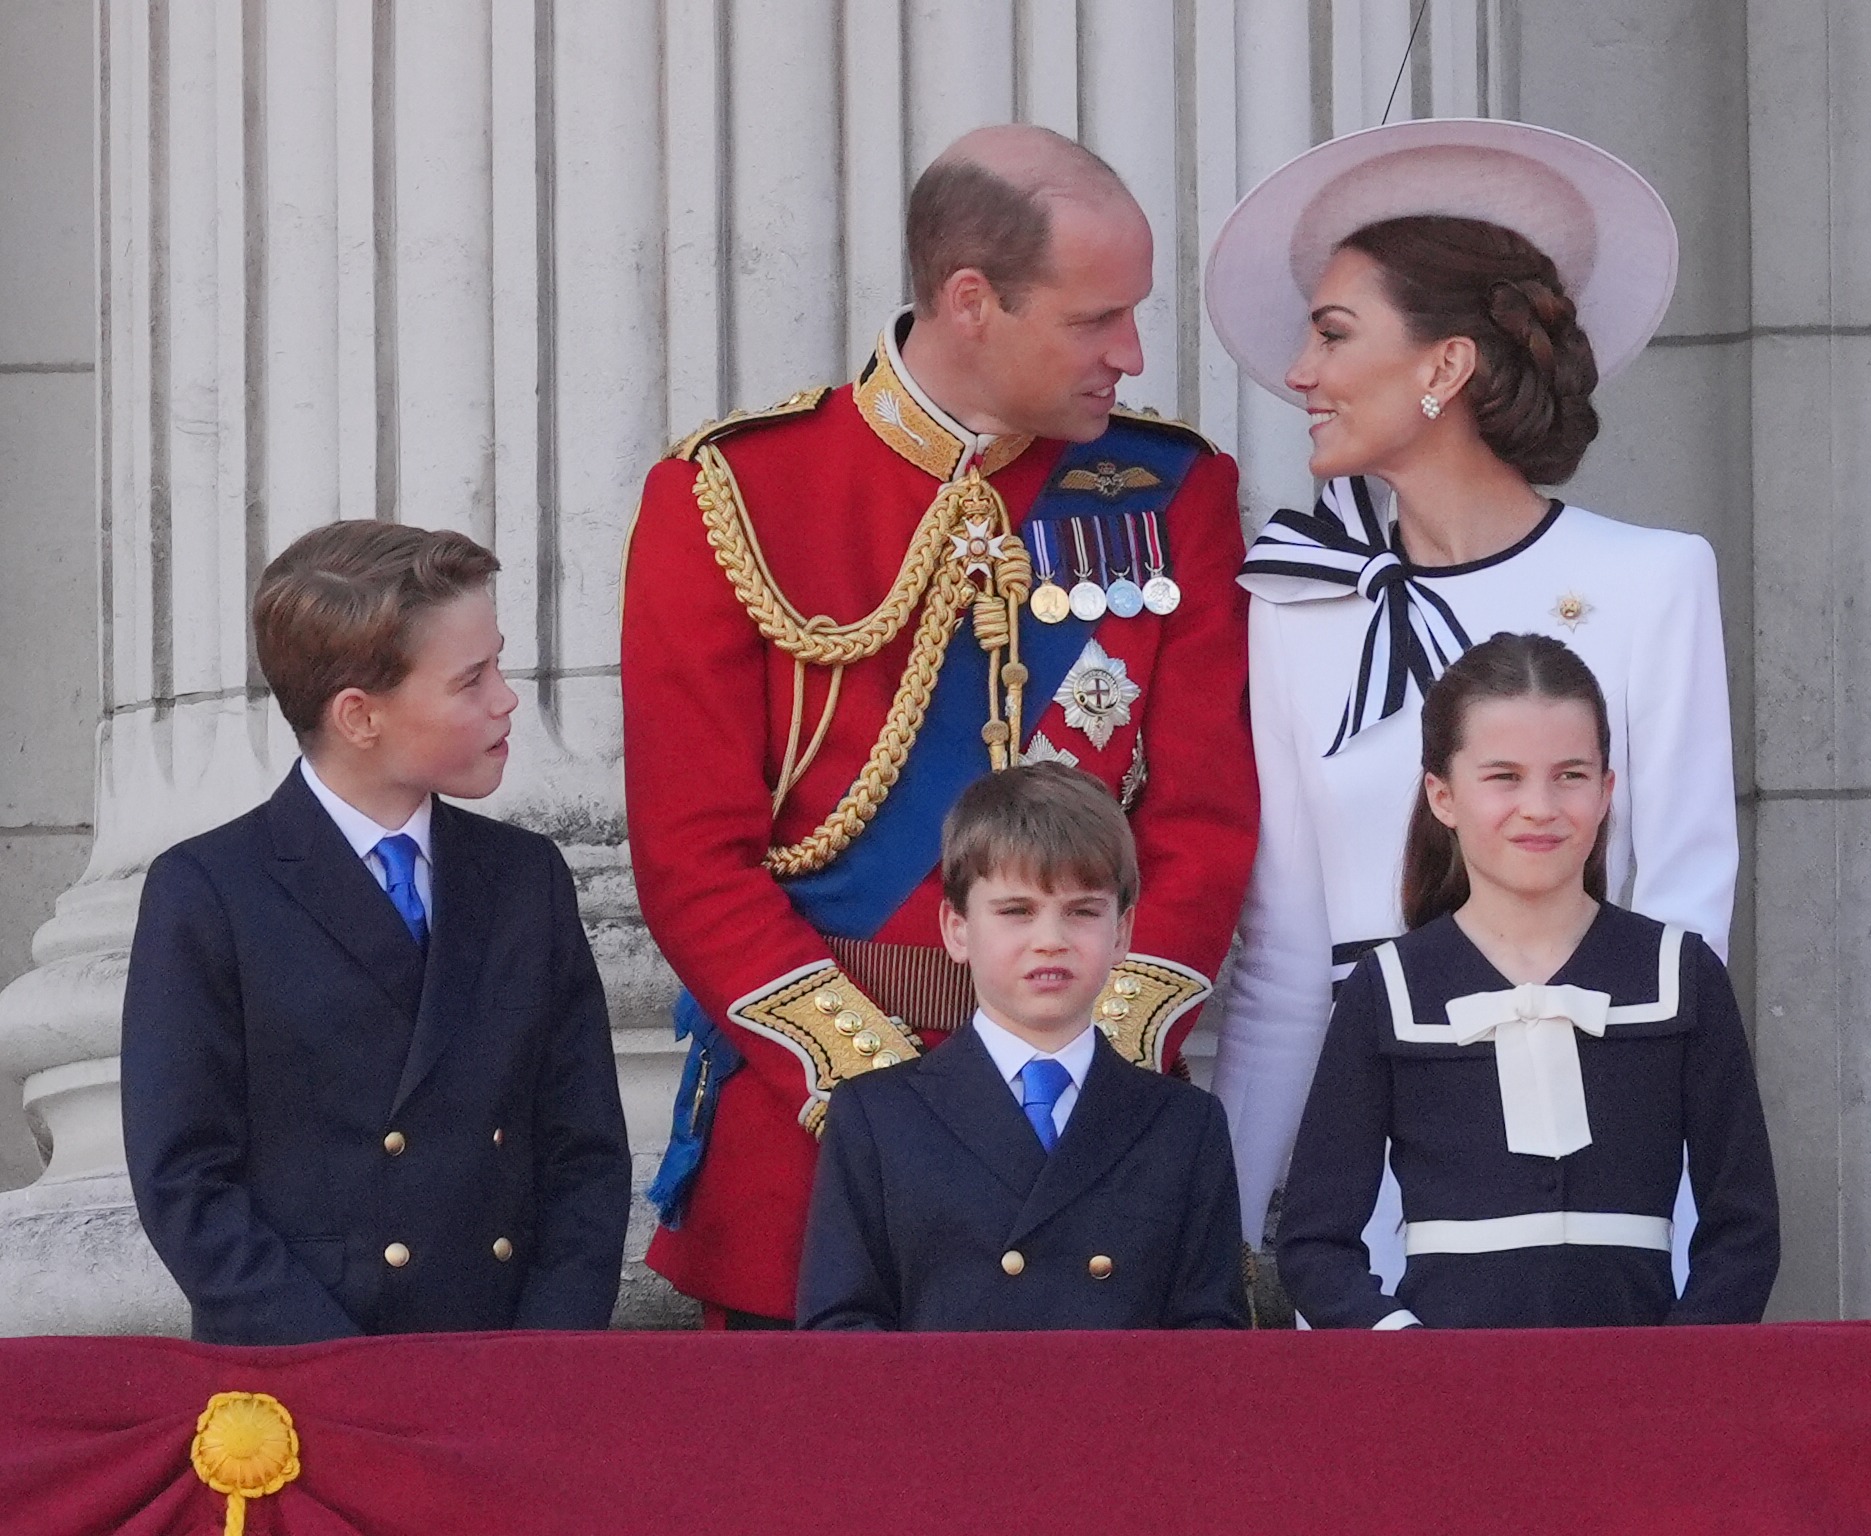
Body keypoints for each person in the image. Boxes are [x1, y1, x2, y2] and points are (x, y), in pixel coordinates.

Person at [622, 124, 1256, 1326]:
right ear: (973, 301)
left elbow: (1205, 828)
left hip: (1095, 1149)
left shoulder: (1175, 491)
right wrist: (890, 1106)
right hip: (819, 1151)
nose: (1130, 352)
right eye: (1094, 319)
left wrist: (1086, 1068)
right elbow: (690, 861)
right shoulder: (734, 493)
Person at [1201, 119, 1738, 1281]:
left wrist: (1681, 1222)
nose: (1301, 372)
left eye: (1334, 335)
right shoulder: (1297, 604)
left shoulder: (1654, 581)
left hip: (1594, 1172)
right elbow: (1289, 961)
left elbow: (1687, 924)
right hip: (1370, 1189)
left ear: (1444, 367)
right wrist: (1223, 1240)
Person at [122, 522, 632, 1345]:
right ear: (359, 715)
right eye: (471, 679)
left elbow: (584, 1153)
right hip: (305, 1381)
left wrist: (546, 1355)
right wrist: (337, 1372)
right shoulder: (211, 890)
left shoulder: (524, 878)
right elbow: (185, 1181)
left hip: (505, 1369)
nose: (506, 697)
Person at [1277, 634, 1777, 1327]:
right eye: (1503, 777)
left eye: (1569, 775)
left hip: (1643, 1399)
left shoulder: (1679, 974)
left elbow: (1744, 1229)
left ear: (1605, 791)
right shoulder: (1386, 987)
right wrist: (1403, 1349)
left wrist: (1679, 1367)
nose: (1539, 806)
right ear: (1442, 795)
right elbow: (1313, 1244)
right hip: (1448, 1398)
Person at [796, 763, 1249, 1330]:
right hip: (942, 1416)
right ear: (956, 929)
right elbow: (842, 1335)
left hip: (1123, 1418)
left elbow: (1209, 1343)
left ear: (1123, 933)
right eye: (1016, 912)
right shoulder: (878, 1117)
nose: (1050, 941)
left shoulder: (1184, 1125)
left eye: (1082, 911)